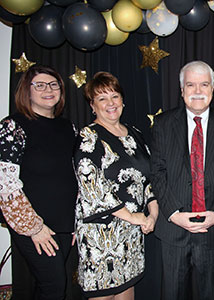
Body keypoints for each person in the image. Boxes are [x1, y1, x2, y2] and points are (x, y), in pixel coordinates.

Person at [150, 60, 214, 300]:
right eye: (190, 85)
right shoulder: (162, 124)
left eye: (204, 84)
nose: (198, 91)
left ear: (213, 89)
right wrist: (173, 213)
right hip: (173, 231)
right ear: (181, 91)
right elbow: (157, 172)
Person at [74, 72, 158, 299]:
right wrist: (133, 217)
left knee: (126, 291)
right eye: (102, 99)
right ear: (92, 106)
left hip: (131, 235)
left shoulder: (136, 134)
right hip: (101, 236)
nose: (110, 103)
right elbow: (92, 187)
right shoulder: (88, 137)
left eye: (114, 96)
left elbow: (148, 180)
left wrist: (152, 214)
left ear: (123, 100)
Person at [0, 65, 78, 300]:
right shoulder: (13, 126)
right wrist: (34, 228)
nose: (48, 89)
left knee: (48, 287)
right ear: (27, 90)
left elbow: (73, 175)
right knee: (53, 287)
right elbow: (5, 183)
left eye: (54, 85)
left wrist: (74, 220)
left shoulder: (69, 128)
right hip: (34, 225)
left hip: (64, 225)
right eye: (40, 85)